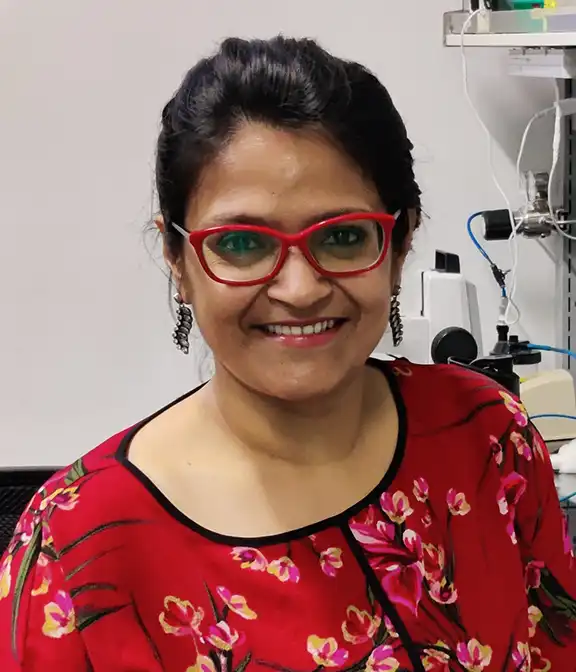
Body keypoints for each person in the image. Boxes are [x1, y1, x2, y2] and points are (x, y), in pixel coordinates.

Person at [0, 36, 574, 672]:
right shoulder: (75, 550)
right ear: (177, 258)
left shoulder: (488, 438)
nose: (300, 289)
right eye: (241, 243)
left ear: (401, 241)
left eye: (344, 236)